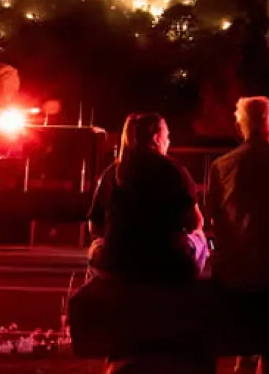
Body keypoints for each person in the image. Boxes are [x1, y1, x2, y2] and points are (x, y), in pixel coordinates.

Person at [205, 97, 269, 374]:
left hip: (234, 274)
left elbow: (213, 220)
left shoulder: (220, 166)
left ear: (240, 126)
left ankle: (245, 354)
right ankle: (268, 362)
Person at [87, 112, 207, 283]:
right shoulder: (175, 170)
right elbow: (195, 223)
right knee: (200, 239)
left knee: (97, 247)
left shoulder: (112, 173)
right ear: (157, 138)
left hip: (118, 266)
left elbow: (94, 227)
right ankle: (187, 289)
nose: (169, 141)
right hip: (169, 266)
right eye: (167, 136)